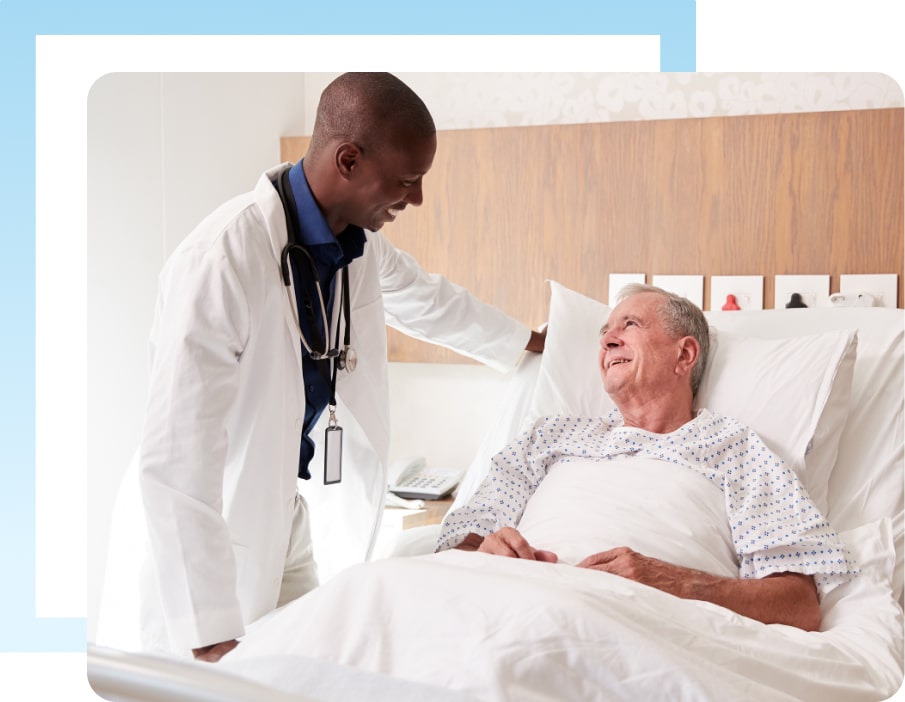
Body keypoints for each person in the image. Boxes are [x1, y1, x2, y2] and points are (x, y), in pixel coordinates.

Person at [97, 72, 545, 662]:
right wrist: (207, 631)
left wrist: (530, 342)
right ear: (349, 159)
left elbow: (427, 299)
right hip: (204, 533)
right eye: (407, 181)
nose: (414, 200)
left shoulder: (355, 242)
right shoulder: (221, 261)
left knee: (312, 665)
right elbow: (177, 460)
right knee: (213, 679)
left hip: (284, 514)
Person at [437, 283, 855, 632]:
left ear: (685, 355)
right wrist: (485, 557)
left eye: (630, 325)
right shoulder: (548, 437)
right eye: (604, 332)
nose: (607, 340)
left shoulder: (736, 449)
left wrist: (676, 583)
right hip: (504, 611)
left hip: (643, 627)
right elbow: (459, 548)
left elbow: (799, 605)